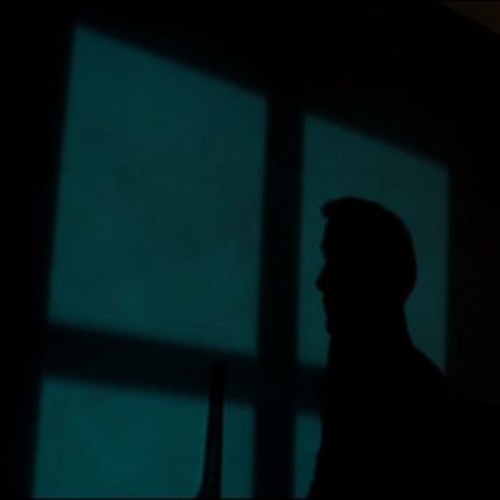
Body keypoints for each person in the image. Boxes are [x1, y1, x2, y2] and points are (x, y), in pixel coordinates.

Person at [307, 197, 460, 497]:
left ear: (373, 276)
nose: (321, 281)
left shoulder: (407, 392)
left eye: (338, 262)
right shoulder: (358, 377)